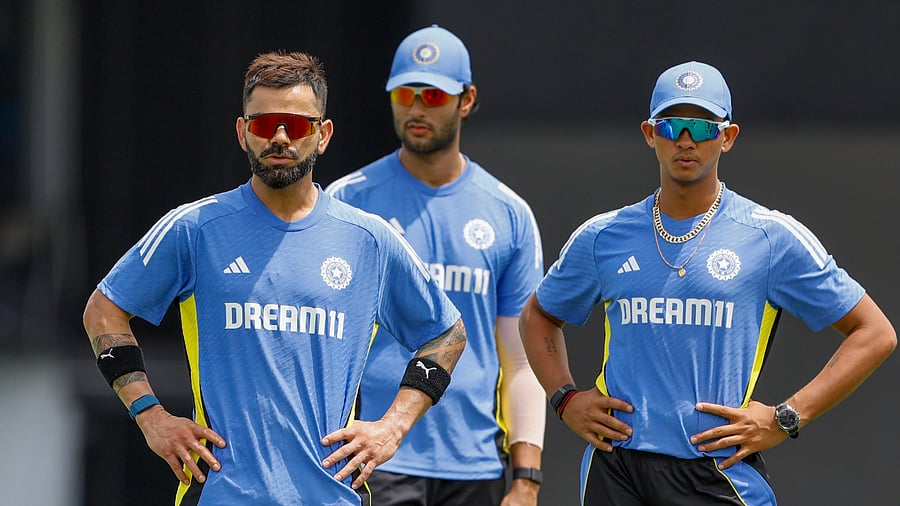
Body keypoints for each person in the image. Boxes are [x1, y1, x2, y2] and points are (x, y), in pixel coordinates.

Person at [82, 50, 467, 506]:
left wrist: (393, 426)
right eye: (265, 125)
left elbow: (448, 332)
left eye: (297, 126)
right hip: (222, 495)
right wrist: (151, 416)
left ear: (322, 135)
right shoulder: (195, 228)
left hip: (334, 497)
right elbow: (103, 312)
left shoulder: (370, 240)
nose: (280, 138)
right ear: (243, 132)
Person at [519, 60, 896, 505]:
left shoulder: (768, 236)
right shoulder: (604, 236)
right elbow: (539, 315)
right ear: (648, 134)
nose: (685, 140)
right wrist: (564, 398)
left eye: (702, 127)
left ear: (728, 137)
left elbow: (875, 333)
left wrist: (786, 417)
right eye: (671, 125)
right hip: (615, 469)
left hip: (718, 472)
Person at [326, 25, 546, 505]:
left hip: (475, 466)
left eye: (433, 94)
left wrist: (527, 479)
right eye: (405, 93)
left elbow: (521, 361)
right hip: (371, 457)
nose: (417, 107)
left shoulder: (508, 213)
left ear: (466, 100)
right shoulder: (346, 202)